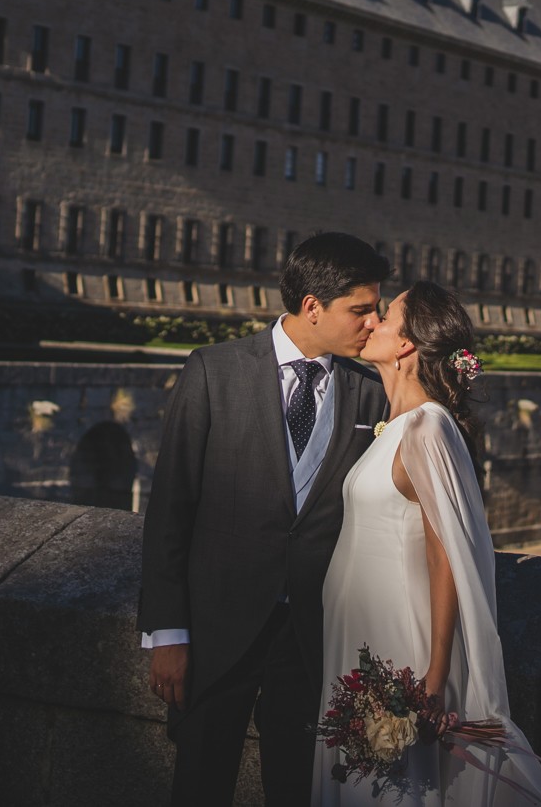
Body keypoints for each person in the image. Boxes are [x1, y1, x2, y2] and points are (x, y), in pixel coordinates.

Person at [138, 232, 393, 806]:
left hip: (312, 640)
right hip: (216, 631)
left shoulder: (371, 392)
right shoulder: (213, 371)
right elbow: (171, 510)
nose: (372, 322)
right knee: (199, 784)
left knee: (298, 791)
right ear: (312, 307)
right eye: (360, 310)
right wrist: (167, 634)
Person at [315, 281, 541, 806]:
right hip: (361, 634)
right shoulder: (398, 426)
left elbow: (447, 553)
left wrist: (433, 674)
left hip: (399, 641)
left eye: (383, 319)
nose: (370, 323)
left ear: (405, 345)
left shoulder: (428, 427)